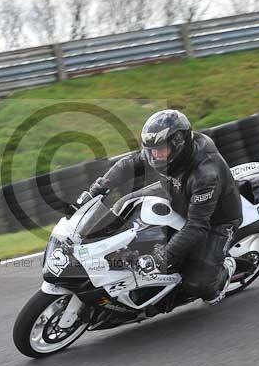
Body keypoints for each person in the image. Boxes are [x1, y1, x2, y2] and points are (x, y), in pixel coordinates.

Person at [87, 109, 242, 304]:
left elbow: (196, 226)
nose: (156, 155)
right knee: (123, 205)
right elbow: (129, 164)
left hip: (216, 220)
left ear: (179, 143)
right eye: (152, 149)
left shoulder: (205, 174)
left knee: (199, 285)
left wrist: (162, 258)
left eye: (161, 149)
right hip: (175, 194)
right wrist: (101, 187)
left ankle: (224, 271)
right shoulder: (158, 151)